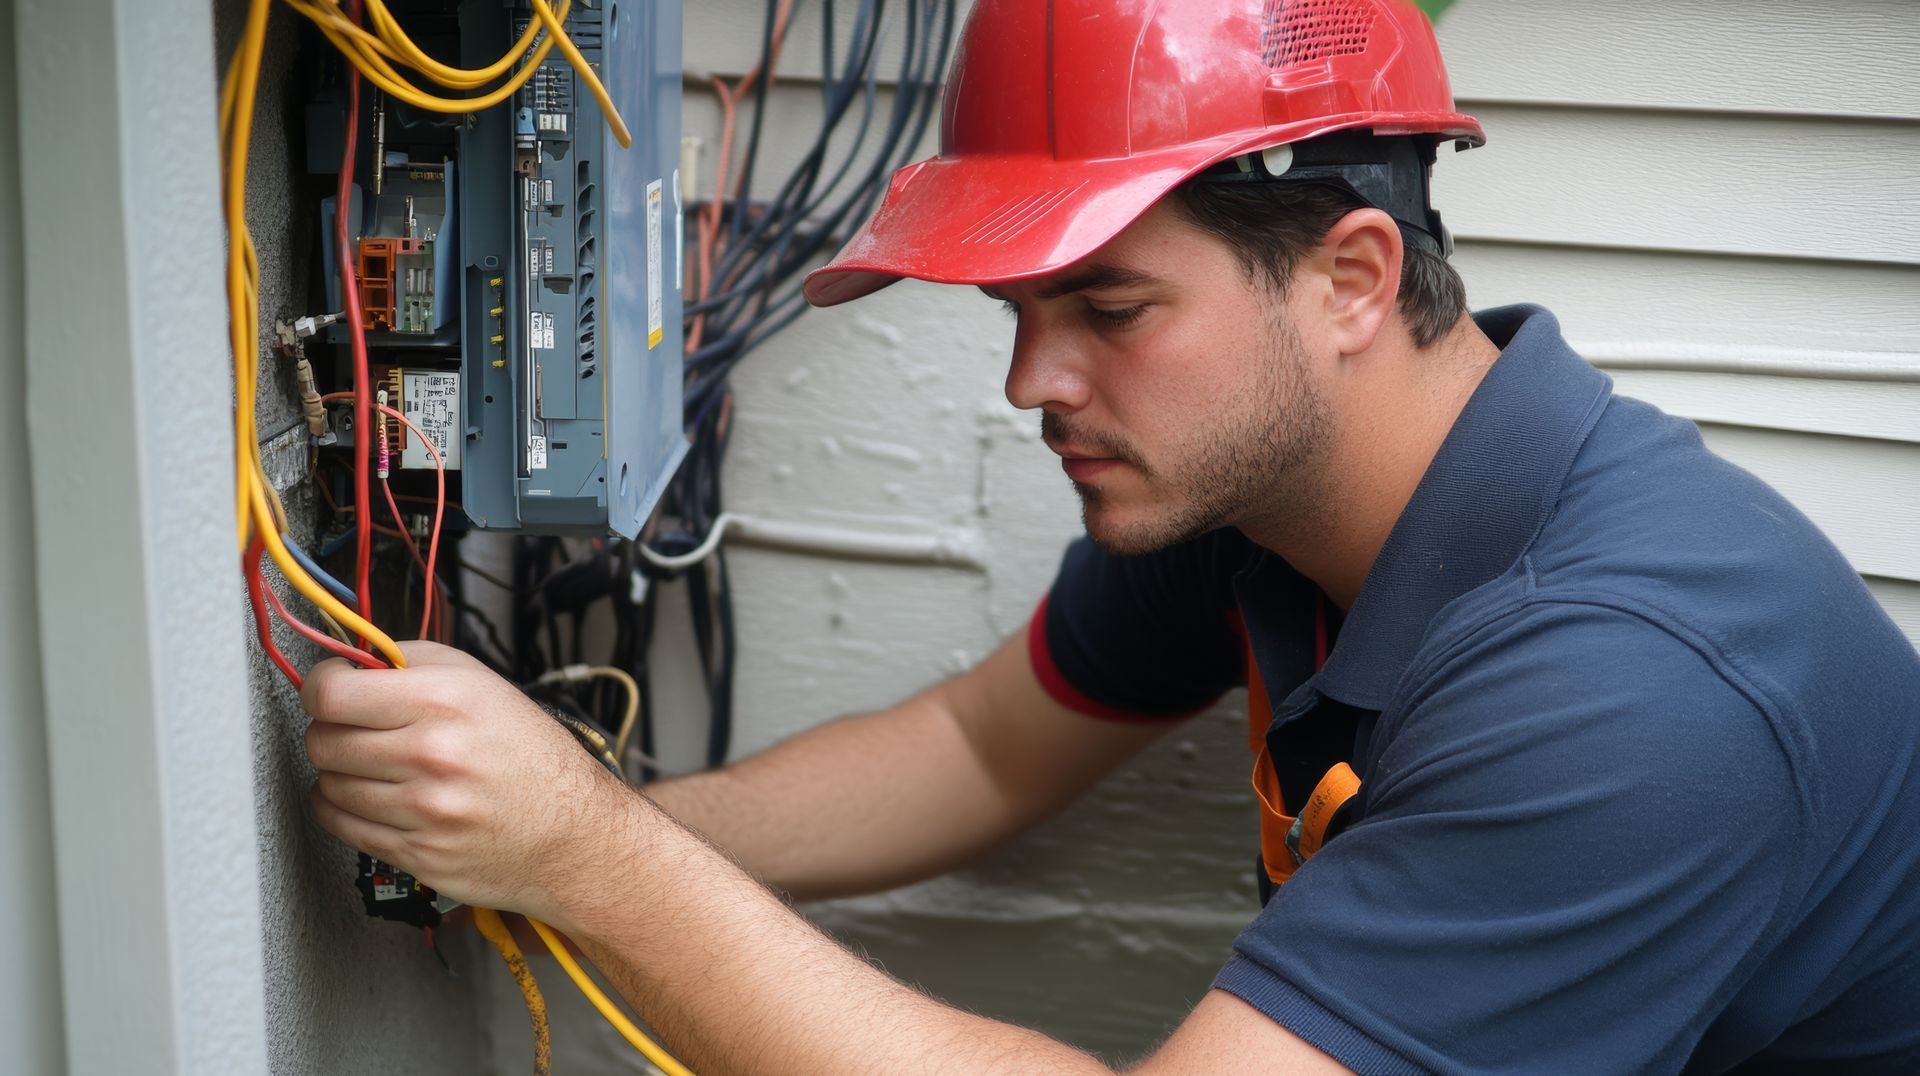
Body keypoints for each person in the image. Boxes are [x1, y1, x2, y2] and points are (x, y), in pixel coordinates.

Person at [300, 0, 1920, 1071]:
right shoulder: (1261, 490)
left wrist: (592, 862)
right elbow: (980, 748)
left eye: (1110, 306)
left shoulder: (1639, 699)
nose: (1031, 382)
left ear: (1353, 278)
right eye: (1017, 307)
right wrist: (567, 811)